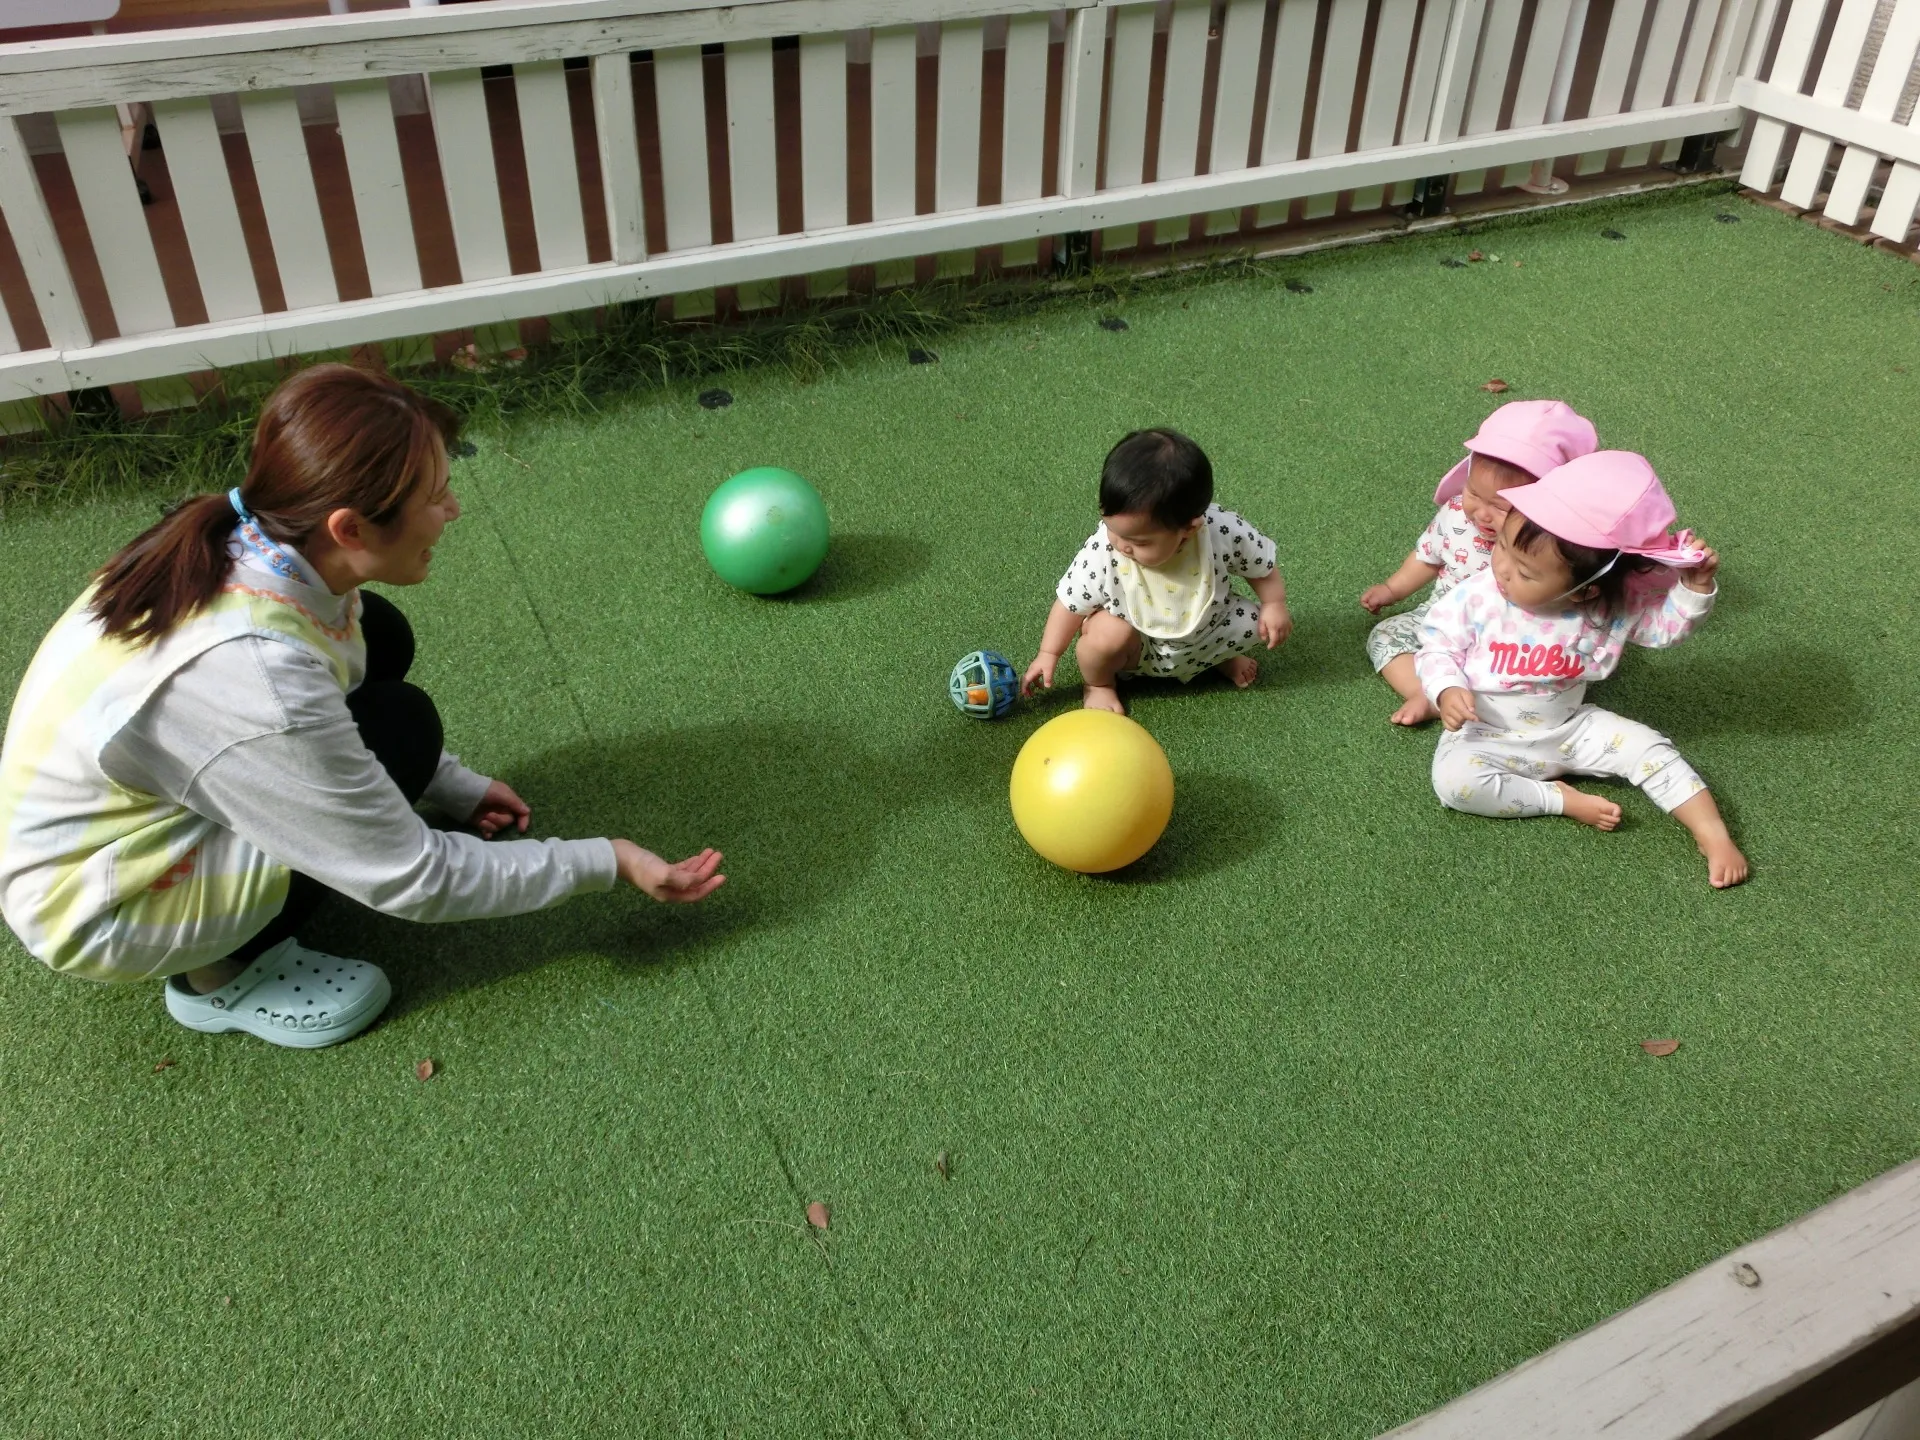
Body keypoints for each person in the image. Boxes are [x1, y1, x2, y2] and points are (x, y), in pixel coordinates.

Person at [0, 364, 725, 1050]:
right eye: (435, 496)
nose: (453, 510)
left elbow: (322, 674)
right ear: (349, 528)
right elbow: (411, 876)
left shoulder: (262, 539)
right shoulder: (255, 675)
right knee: (401, 731)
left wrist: (450, 783)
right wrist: (606, 860)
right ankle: (217, 978)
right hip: (102, 907)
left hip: (143, 804)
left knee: (383, 639)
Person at [1415, 450, 1748, 888]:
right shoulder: (1476, 596)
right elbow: (1436, 645)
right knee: (1454, 782)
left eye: (1526, 573)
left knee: (1651, 750)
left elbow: (1663, 630)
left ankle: (1712, 832)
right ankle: (1558, 798)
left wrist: (1695, 587)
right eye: (1503, 549)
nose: (1503, 570)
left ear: (1584, 592)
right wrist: (1445, 688)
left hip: (1572, 730)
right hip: (1485, 732)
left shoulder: (1604, 609)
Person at [1360, 400, 1597, 725]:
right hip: (1444, 618)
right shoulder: (1457, 515)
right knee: (1385, 635)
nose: (1481, 514)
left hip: (1517, 635)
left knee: (1555, 663)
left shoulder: (1551, 544)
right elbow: (1428, 556)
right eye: (1474, 493)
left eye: (1500, 507)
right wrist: (1392, 589)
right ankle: (1426, 692)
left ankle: (1495, 695)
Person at [1022, 429, 1292, 713]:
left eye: (1139, 542)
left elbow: (1260, 565)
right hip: (1140, 647)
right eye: (1112, 529)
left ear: (1189, 529)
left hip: (1206, 631)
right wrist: (1048, 653)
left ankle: (1217, 660)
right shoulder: (1104, 550)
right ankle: (1099, 685)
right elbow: (1069, 603)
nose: (1121, 544)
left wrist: (1274, 603)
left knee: (1255, 621)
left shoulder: (1220, 531)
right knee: (1104, 637)